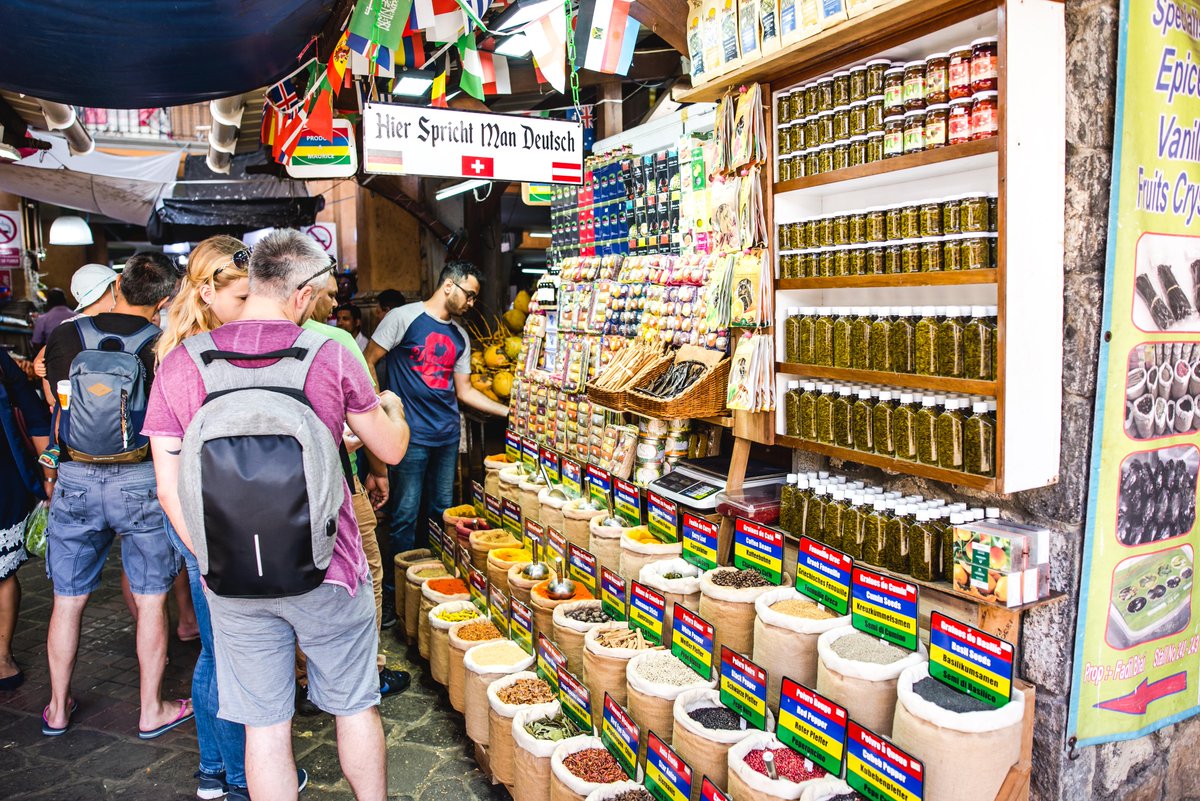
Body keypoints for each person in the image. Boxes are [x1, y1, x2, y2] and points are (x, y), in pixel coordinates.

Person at [147, 229, 409, 801]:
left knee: (265, 726)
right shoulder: (331, 354)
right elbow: (388, 449)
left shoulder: (181, 363)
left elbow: (169, 491)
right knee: (355, 705)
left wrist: (217, 562)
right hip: (330, 570)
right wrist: (392, 409)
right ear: (301, 293)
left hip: (232, 579)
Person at [42, 251, 190, 740]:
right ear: (165, 299)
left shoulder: (65, 334)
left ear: (119, 285)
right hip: (139, 479)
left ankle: (58, 708)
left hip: (76, 477)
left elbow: (58, 404)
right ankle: (151, 709)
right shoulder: (164, 343)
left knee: (68, 600)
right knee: (150, 600)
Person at [152, 235, 257, 800]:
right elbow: (168, 479)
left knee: (218, 651)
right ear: (208, 293)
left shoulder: (186, 350)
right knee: (233, 653)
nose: (251, 306)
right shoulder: (189, 358)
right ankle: (241, 776)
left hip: (212, 518)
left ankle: (214, 770)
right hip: (204, 520)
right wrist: (202, 549)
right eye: (241, 296)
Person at [363, 261, 507, 625]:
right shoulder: (403, 318)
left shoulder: (460, 335)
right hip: (409, 437)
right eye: (469, 294)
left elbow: (466, 391)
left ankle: (436, 592)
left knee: (441, 513)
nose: (472, 302)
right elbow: (368, 361)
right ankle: (396, 601)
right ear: (449, 286)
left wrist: (507, 411)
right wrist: (380, 406)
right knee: (404, 516)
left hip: (446, 436)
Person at [300, 275, 409, 708]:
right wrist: (379, 467)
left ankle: (304, 677)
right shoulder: (335, 341)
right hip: (338, 482)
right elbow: (372, 421)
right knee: (366, 572)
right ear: (303, 291)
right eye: (328, 294)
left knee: (298, 584)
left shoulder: (229, 340)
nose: (333, 302)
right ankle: (367, 673)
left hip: (268, 496)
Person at [0, 349, 51, 691]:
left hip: (3, 481)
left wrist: (50, 473)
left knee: (2, 573)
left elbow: (34, 414)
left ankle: (1, 656)